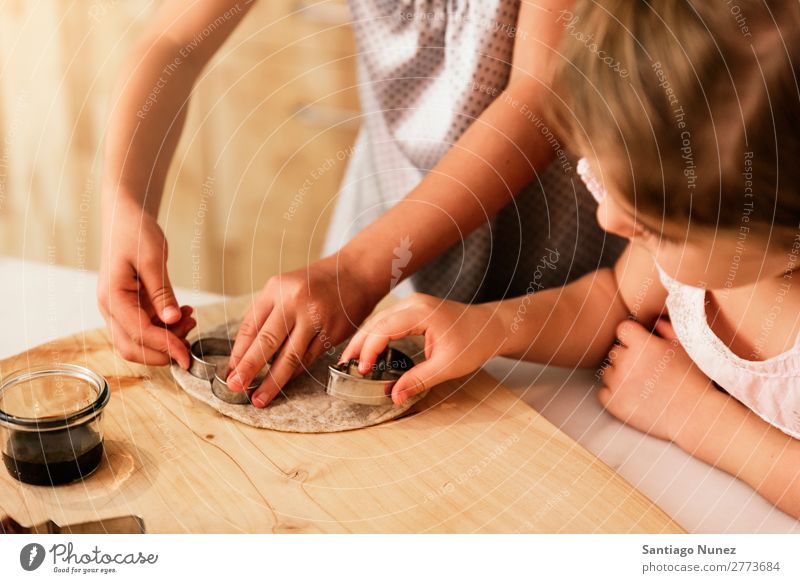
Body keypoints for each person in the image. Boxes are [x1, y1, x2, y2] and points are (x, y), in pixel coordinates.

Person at [342, 0, 800, 518]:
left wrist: (696, 418)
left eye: (655, 227)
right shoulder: (702, 254)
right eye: (601, 185)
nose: (608, 222)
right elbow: (610, 301)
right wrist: (486, 326)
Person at [97, 0, 623, 406]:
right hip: (387, 215)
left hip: (558, 249)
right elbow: (174, 41)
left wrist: (361, 269)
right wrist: (123, 201)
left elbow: (540, 98)